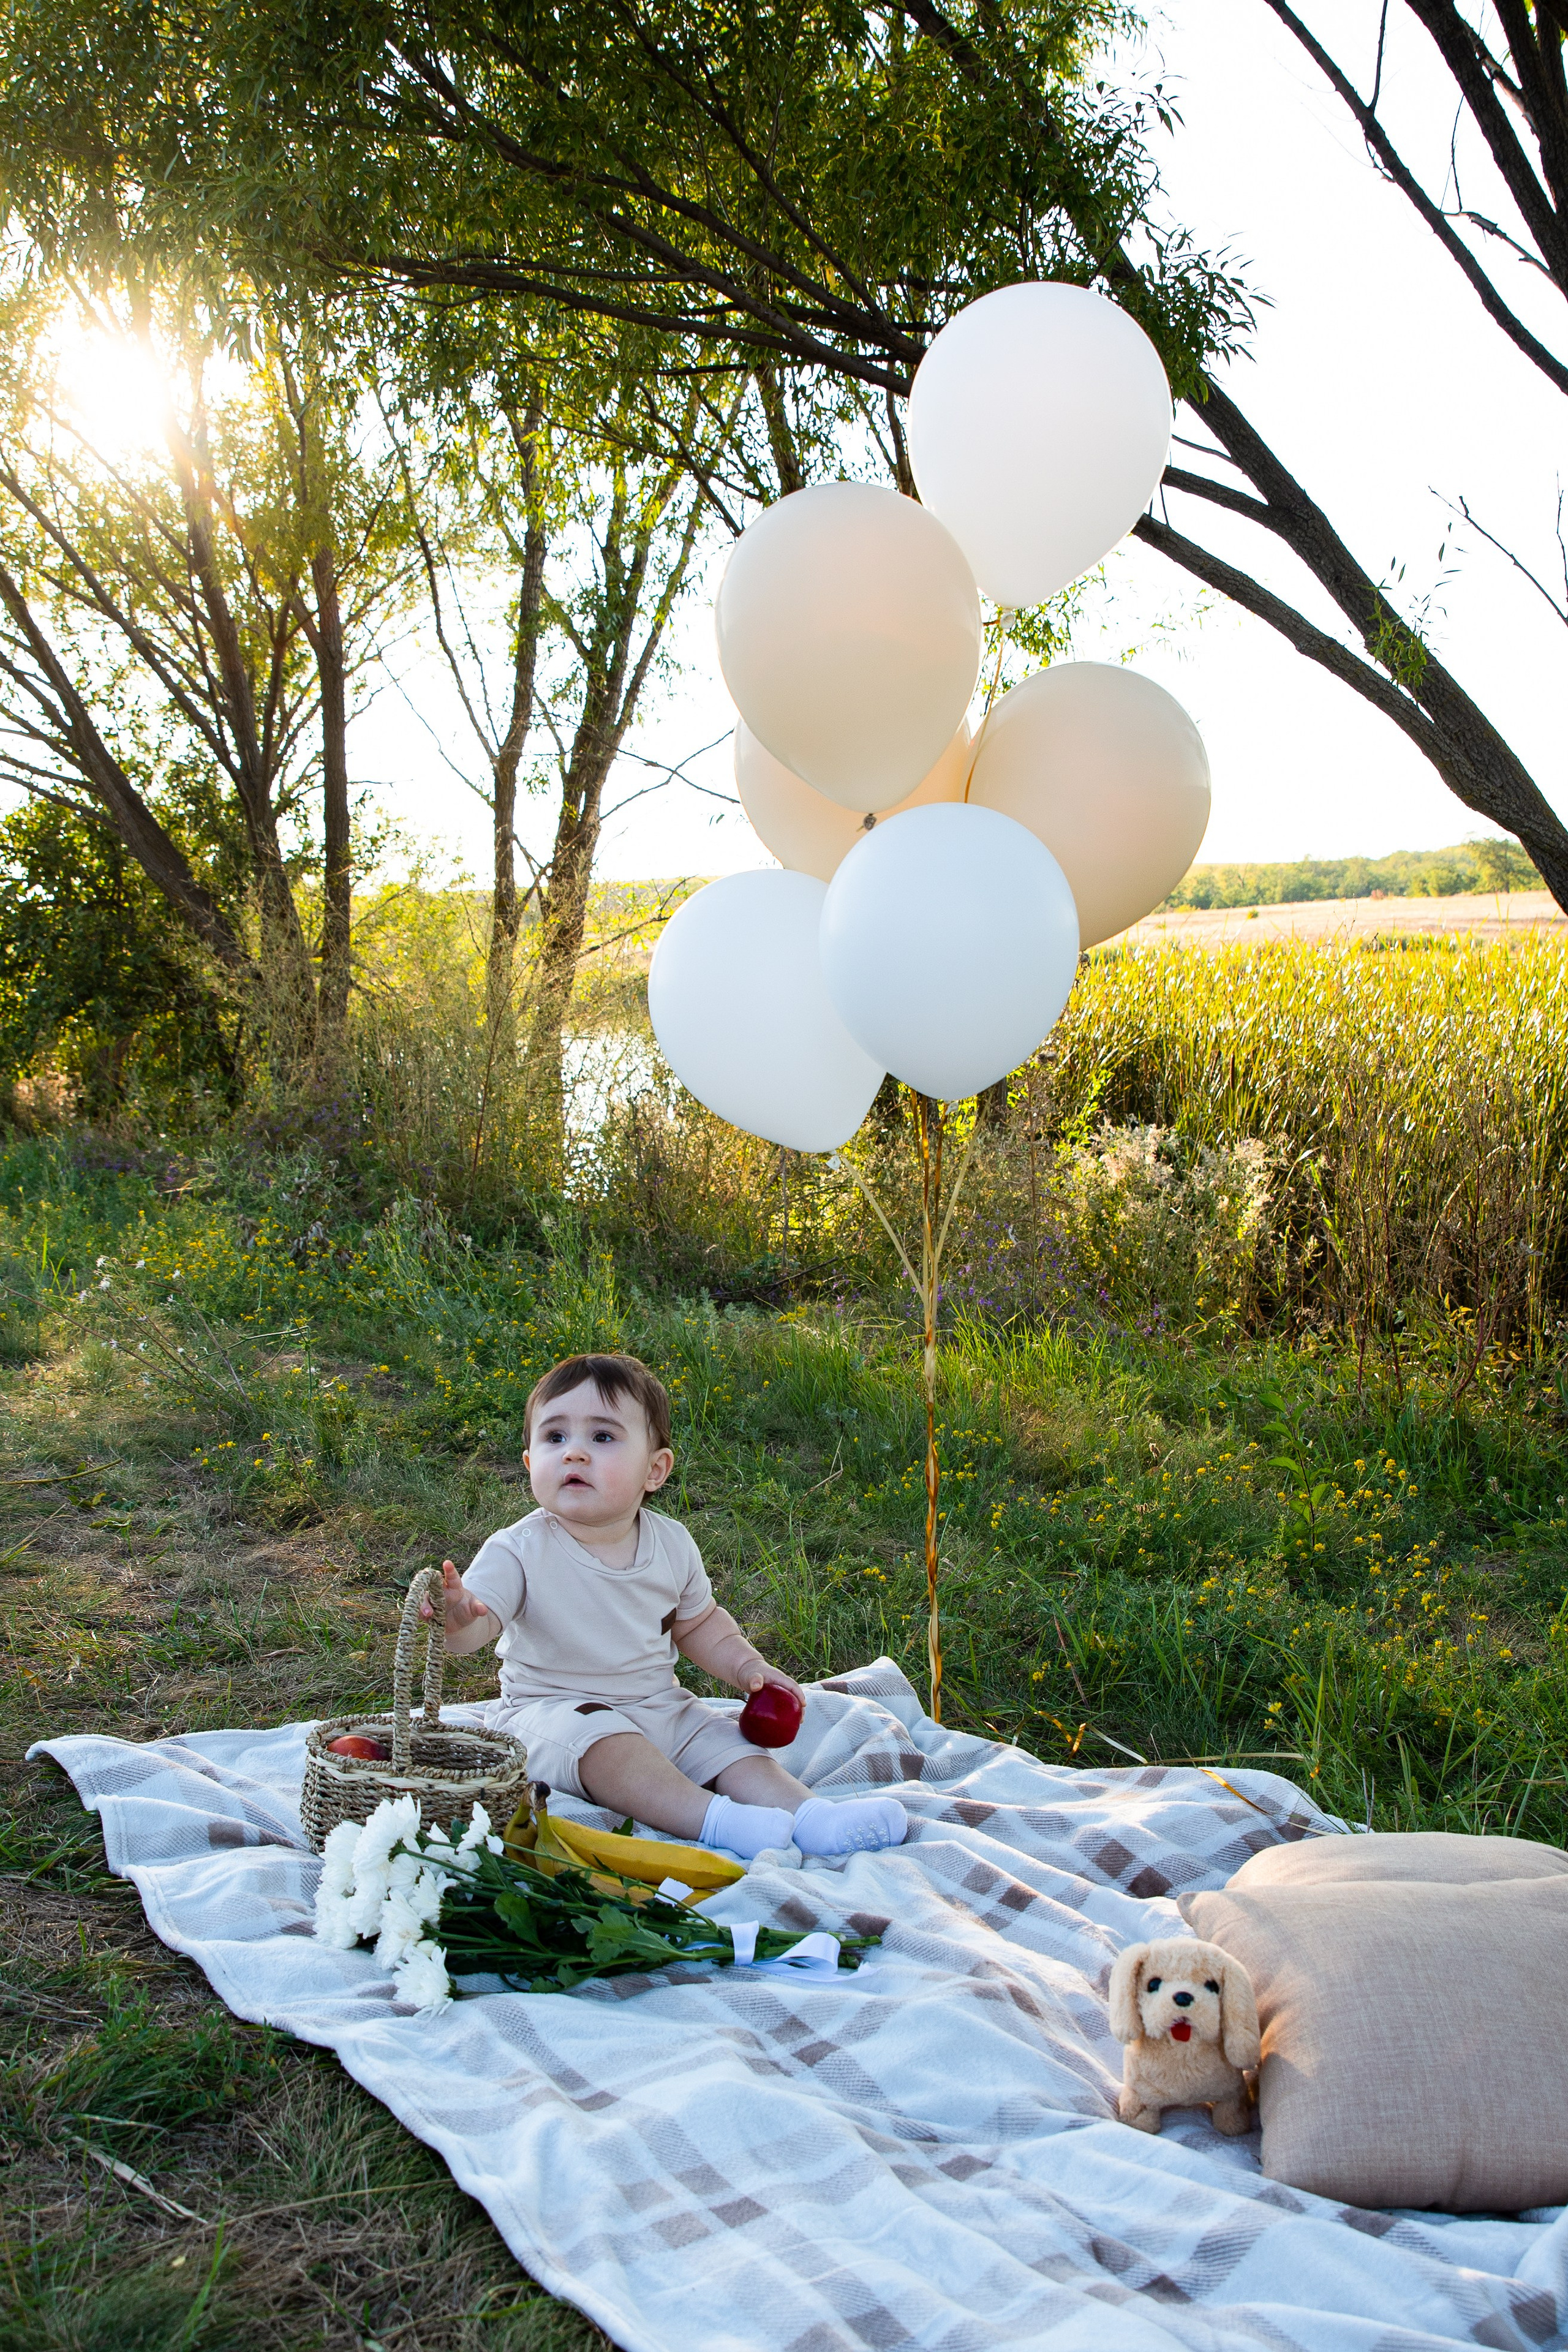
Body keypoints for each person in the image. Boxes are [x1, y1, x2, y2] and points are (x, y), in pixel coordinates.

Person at [423, 1351, 908, 1861]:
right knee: (606, 1744)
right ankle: (715, 1821)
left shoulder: (671, 1543)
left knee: (725, 1744)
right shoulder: (518, 1549)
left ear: (654, 1470)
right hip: (550, 1715)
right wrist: (457, 1618)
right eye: (555, 1437)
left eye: (602, 1437)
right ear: (529, 1463)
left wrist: (748, 1667)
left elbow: (699, 1623)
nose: (574, 1454)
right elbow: (478, 1623)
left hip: (655, 1705)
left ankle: (810, 1815)